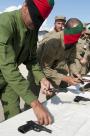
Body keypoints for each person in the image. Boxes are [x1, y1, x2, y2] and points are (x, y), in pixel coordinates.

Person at [0, 0, 54, 125]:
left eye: (40, 20)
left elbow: (31, 59)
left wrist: (41, 78)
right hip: (8, 72)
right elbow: (7, 66)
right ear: (25, 6)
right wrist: (34, 102)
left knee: (14, 118)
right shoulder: (5, 23)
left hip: (9, 80)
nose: (35, 23)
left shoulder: (32, 28)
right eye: (34, 17)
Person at [37, 18, 84, 92]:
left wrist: (75, 72)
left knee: (55, 96)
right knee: (33, 98)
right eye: (73, 35)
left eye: (77, 36)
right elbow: (45, 68)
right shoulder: (53, 41)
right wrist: (66, 78)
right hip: (38, 70)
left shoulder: (74, 42)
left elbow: (71, 60)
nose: (75, 39)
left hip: (55, 72)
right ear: (66, 30)